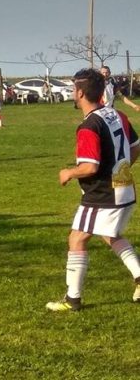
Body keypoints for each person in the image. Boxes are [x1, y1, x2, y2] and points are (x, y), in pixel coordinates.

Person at [46, 68, 140, 312]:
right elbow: (136, 146)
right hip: (125, 189)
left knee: (76, 239)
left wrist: (68, 172)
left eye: (72, 89)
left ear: (79, 92)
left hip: (102, 194)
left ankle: (72, 300)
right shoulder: (117, 114)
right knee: (110, 235)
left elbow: (90, 166)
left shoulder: (89, 126)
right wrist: (121, 167)